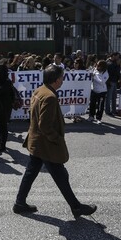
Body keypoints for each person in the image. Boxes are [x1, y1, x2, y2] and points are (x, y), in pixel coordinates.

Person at [13, 65, 97, 218]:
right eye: (62, 77)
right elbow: (45, 125)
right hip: (46, 145)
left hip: (37, 142)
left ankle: (19, 203)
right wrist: (57, 139)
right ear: (57, 80)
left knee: (32, 173)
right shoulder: (50, 97)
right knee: (60, 176)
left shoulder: (39, 90)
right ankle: (76, 207)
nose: (63, 80)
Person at [87, 60, 109, 124]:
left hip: (102, 91)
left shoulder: (105, 73)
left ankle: (98, 118)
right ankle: (91, 116)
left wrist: (94, 77)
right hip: (94, 90)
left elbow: (101, 82)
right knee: (92, 104)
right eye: (97, 65)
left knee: (100, 105)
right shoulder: (95, 70)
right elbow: (89, 72)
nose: (97, 66)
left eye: (98, 65)